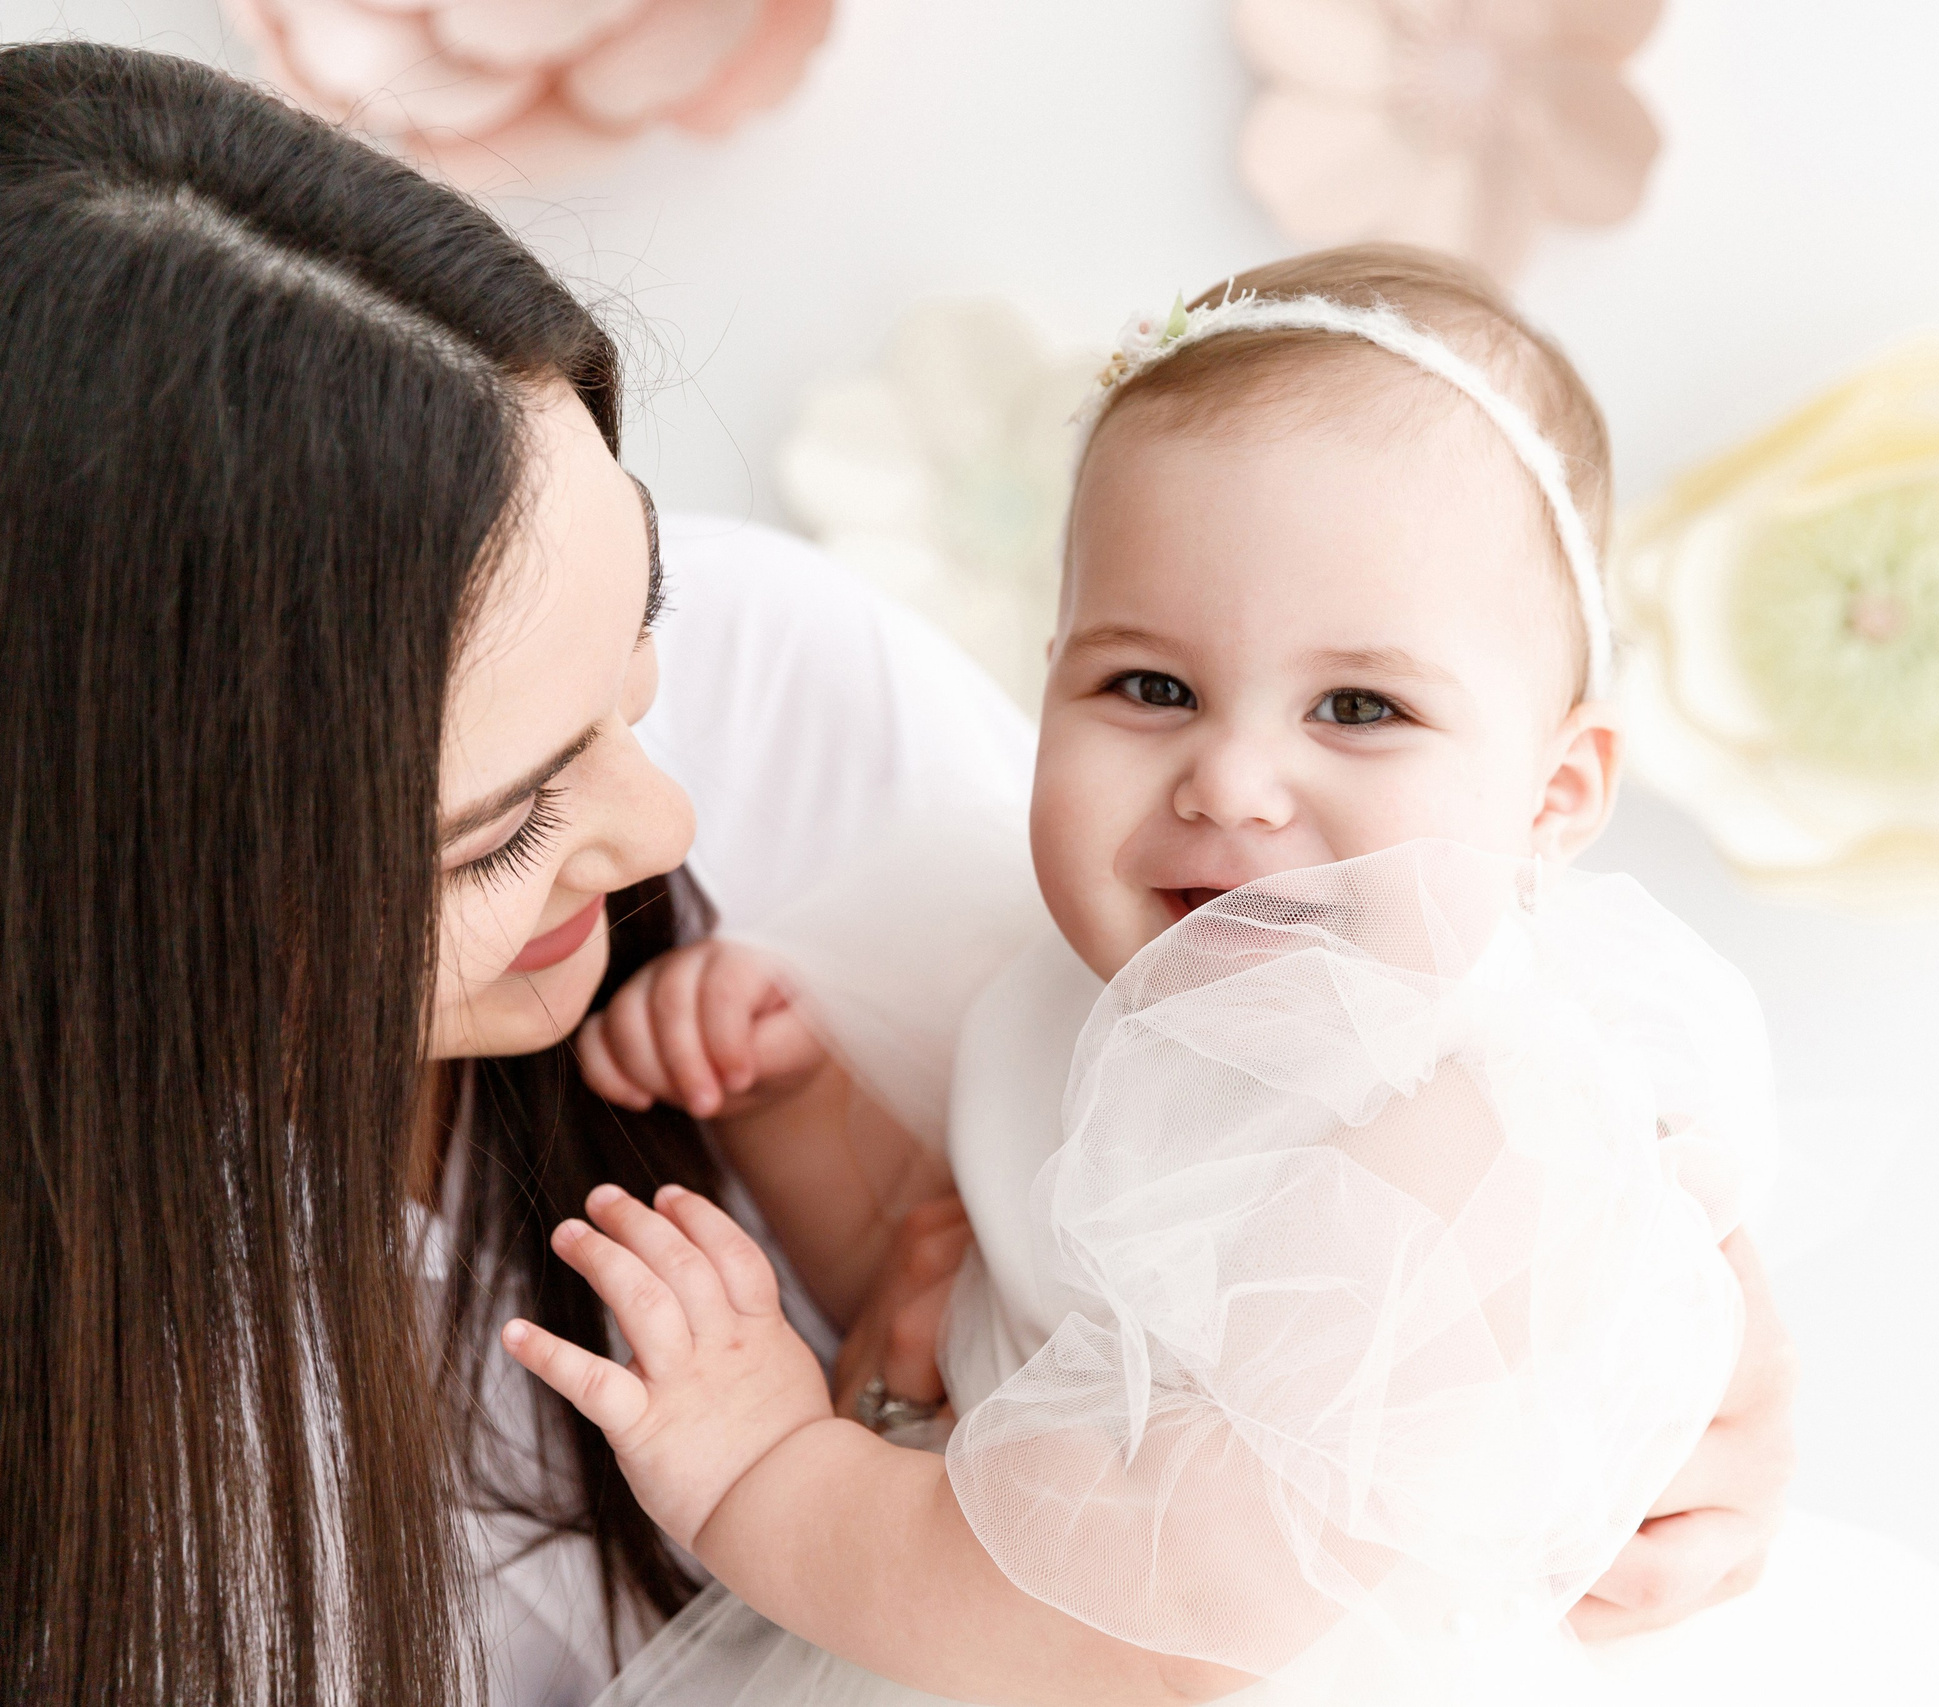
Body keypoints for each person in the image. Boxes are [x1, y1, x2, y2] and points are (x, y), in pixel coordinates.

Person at [0, 48, 1793, 1707]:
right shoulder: (1066, 953)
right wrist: (792, 1117)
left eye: (638, 659)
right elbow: (976, 1299)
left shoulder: (828, 718)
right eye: (506, 824)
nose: (671, 830)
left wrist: (1696, 1369)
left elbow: (1139, 1515)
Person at [513, 251, 1939, 1705]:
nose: (1234, 781)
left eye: (1358, 709)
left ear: (1553, 798)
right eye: (1151, 686)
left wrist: (766, 1472)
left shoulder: (1464, 1134)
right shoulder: (1050, 986)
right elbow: (961, 1341)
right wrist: (793, 1104)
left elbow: (1164, 1621)